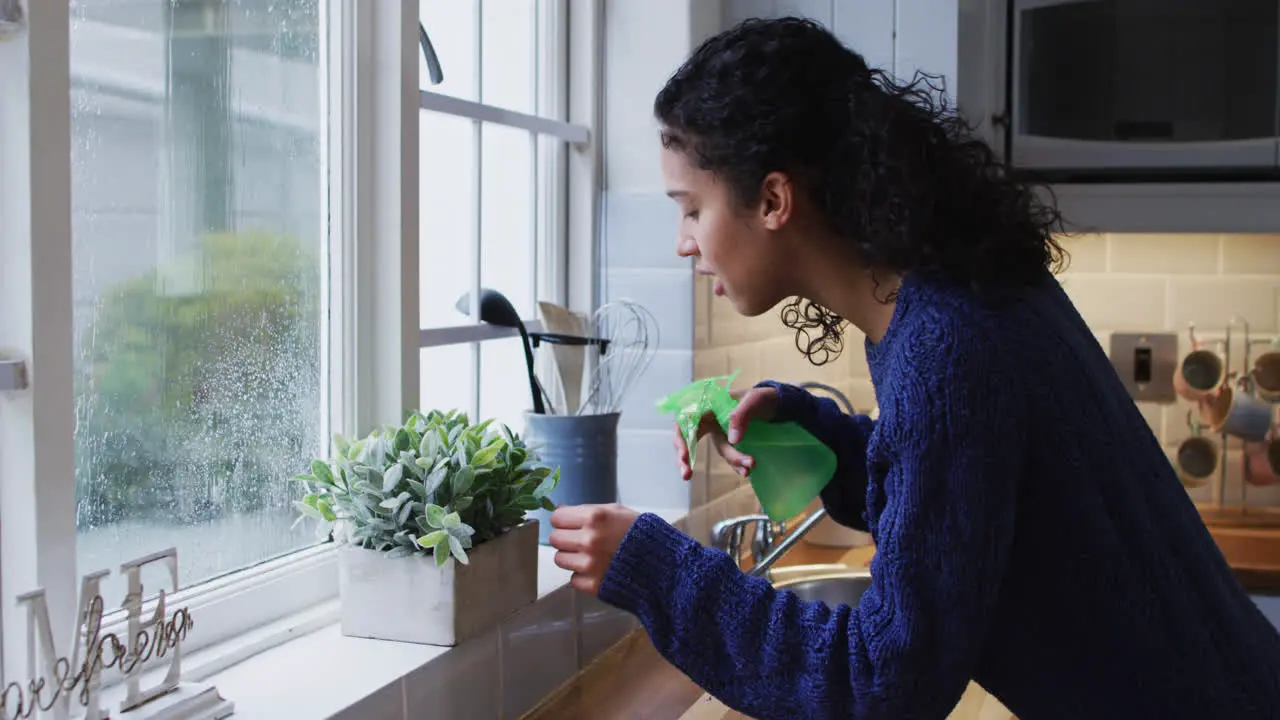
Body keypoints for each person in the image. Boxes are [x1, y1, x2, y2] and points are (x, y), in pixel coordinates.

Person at [547, 17, 1280, 719]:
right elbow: (965, 501)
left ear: (773, 199)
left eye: (690, 209)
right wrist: (814, 434)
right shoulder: (950, 300)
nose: (683, 242)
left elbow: (884, 683)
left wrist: (658, 570)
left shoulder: (948, 345)